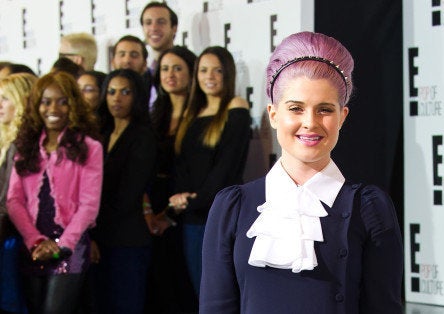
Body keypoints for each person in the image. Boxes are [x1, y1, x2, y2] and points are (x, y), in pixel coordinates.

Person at [199, 32, 403, 314]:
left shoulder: (369, 208)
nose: (310, 122)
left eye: (324, 110)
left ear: (342, 116)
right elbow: (215, 308)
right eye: (296, 108)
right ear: (273, 114)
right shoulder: (232, 208)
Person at [7, 71, 103, 314]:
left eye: (62, 101)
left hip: (70, 248)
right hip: (33, 247)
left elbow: (89, 205)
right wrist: (36, 241)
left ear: (74, 105)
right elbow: (14, 200)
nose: (54, 108)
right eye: (46, 101)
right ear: (36, 105)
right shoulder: (24, 147)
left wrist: (62, 245)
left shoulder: (90, 148)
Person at [168, 46, 251, 298]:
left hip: (221, 216)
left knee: (223, 295)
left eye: (217, 70)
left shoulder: (236, 107)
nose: (210, 76)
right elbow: (182, 164)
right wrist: (180, 198)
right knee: (201, 293)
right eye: (203, 70)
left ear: (228, 74)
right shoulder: (192, 113)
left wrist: (195, 200)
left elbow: (226, 168)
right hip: (192, 219)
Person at [91, 69, 156, 314]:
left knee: (125, 305)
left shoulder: (143, 137)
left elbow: (130, 192)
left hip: (128, 239)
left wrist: (94, 229)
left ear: (137, 97)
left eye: (125, 92)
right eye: (111, 92)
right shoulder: (101, 134)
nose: (117, 98)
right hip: (100, 237)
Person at [144, 45, 198, 314]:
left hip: (185, 203)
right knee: (158, 281)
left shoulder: (200, 114)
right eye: (165, 69)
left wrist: (171, 212)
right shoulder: (154, 115)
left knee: (184, 281)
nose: (170, 75)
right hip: (153, 202)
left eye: (178, 68)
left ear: (192, 73)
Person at [0, 73, 37, 314]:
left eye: (4, 99)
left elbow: (9, 198)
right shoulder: (7, 139)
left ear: (22, 101)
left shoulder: (23, 144)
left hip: (13, 237)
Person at [140, 2, 178, 73]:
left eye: (161, 22)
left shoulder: (188, 65)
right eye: (148, 23)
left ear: (174, 28)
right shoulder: (139, 67)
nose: (154, 28)